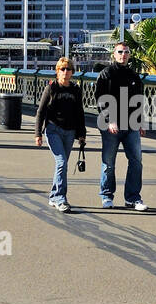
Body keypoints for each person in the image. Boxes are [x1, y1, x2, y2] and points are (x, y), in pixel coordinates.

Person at [95, 40, 147, 210]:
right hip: (111, 125)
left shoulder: (134, 75)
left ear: (129, 55)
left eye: (126, 52)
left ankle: (132, 198)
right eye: (120, 52)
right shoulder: (106, 74)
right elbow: (101, 99)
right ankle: (107, 196)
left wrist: (140, 122)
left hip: (131, 124)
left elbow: (139, 99)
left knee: (136, 161)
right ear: (114, 54)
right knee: (109, 162)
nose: (123, 55)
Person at [35, 57, 86, 212]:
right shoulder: (51, 88)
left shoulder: (76, 90)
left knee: (61, 166)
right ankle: (60, 199)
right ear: (57, 71)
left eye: (68, 69)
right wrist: (38, 134)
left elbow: (80, 113)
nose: (65, 72)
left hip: (70, 132)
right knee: (62, 163)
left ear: (72, 72)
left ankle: (53, 195)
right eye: (62, 69)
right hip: (53, 130)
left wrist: (81, 134)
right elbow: (41, 112)